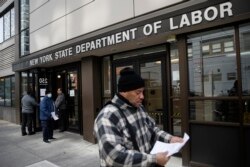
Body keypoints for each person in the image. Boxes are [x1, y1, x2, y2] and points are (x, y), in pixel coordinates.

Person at [94, 67, 183, 167]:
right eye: (138, 92)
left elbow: (152, 129)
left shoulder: (139, 108)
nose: (142, 96)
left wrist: (170, 139)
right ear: (124, 91)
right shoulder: (107, 116)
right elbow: (113, 157)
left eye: (143, 92)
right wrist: (154, 159)